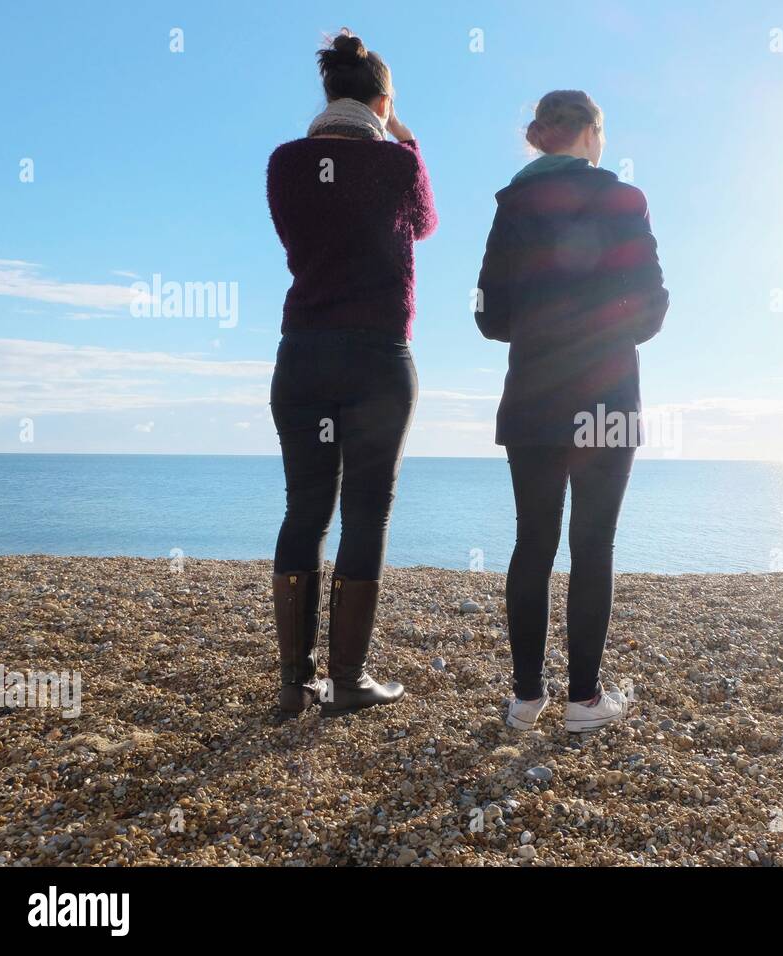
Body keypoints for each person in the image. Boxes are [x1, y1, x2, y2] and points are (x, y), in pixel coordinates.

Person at [474, 90, 668, 733]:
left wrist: (541, 328)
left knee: (533, 542)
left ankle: (526, 698)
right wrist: (603, 331)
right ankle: (583, 702)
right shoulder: (624, 199)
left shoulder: (511, 204)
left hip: (533, 394)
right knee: (593, 546)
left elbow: (488, 316)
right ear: (591, 134)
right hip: (606, 395)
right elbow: (651, 306)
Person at [265, 29, 436, 719]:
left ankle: (291, 683)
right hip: (376, 357)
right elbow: (423, 224)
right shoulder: (398, 165)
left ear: (327, 91)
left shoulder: (285, 163)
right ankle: (347, 681)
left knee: (305, 509)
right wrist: (407, 139)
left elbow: (295, 235)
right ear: (383, 100)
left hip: (302, 351)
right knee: (366, 513)